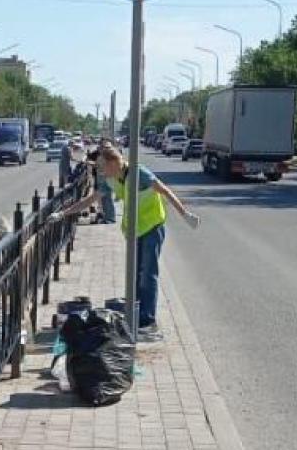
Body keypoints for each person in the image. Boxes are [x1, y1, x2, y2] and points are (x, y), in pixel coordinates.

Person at [55, 142, 199, 340]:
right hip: (134, 231)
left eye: (103, 166)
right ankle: (136, 314)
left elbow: (164, 190)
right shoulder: (111, 179)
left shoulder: (138, 173)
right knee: (135, 274)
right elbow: (91, 199)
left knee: (148, 274)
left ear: (114, 163)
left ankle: (148, 321)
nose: (101, 171)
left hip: (152, 226)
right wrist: (64, 213)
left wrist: (184, 214)